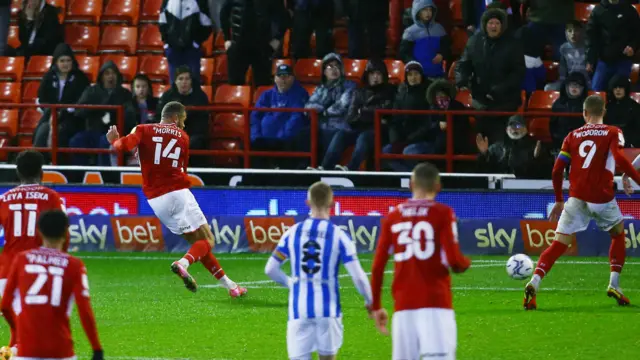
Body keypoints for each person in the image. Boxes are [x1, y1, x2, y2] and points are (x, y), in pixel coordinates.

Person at [106, 101, 247, 298]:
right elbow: (183, 168)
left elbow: (124, 146)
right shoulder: (183, 137)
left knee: (199, 245)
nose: (183, 125)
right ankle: (183, 263)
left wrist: (114, 140)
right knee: (208, 240)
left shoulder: (142, 129)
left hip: (155, 201)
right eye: (182, 120)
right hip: (177, 192)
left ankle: (231, 286)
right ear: (174, 117)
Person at [524, 95, 640, 310]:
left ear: (584, 113)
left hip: (576, 197)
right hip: (602, 197)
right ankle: (614, 283)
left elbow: (557, 170)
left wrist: (559, 200)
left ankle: (535, 281)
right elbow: (620, 158)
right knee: (617, 234)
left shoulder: (572, 136)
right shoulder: (613, 132)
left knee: (558, 243)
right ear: (604, 112)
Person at [369, 162, 471, 360]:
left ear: (411, 184)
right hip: (436, 306)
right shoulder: (442, 213)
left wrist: (376, 306)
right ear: (438, 187)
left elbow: (377, 266)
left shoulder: (393, 216)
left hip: (403, 310)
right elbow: (454, 261)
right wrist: (466, 263)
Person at [264, 181, 373, 360]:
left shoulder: (293, 232)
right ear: (332, 203)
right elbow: (359, 277)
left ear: (308, 203)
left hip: (299, 310)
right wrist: (371, 302)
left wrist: (290, 283)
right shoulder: (339, 235)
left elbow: (270, 269)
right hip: (328, 311)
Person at [1, 210, 103, 360]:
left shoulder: (22, 260)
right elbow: (84, 309)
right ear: (66, 232)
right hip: (61, 350)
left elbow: (4, 305)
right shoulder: (74, 265)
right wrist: (96, 348)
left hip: (27, 350)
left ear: (39, 232)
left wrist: (18, 331)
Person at [0, 150, 66, 353]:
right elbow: (63, 236)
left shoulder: (4, 199)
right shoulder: (52, 198)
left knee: (19, 333)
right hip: (37, 273)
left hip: (6, 276)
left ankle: (11, 352)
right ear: (42, 172)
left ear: (18, 173)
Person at [455, 7, 525, 142]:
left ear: (502, 26)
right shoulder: (474, 42)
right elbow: (463, 64)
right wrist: (461, 79)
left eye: (497, 23)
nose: (493, 26)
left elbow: (518, 72)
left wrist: (498, 90)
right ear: (485, 25)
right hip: (480, 102)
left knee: (500, 142)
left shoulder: (513, 44)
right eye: (490, 23)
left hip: (505, 103)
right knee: (481, 141)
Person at [322, 59, 395, 171]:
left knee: (363, 137)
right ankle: (325, 167)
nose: (375, 77)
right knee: (341, 134)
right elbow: (350, 118)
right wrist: (369, 115)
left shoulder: (391, 91)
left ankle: (350, 169)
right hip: (359, 128)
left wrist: (362, 112)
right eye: (372, 73)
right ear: (367, 75)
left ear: (384, 75)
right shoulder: (359, 92)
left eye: (378, 74)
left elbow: (386, 111)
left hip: (379, 131)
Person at [72, 60, 137, 166]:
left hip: (115, 132)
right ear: (101, 76)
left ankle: (105, 177)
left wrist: (113, 113)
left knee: (104, 141)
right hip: (94, 130)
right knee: (76, 141)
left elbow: (130, 116)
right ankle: (79, 175)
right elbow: (79, 111)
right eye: (107, 73)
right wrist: (95, 108)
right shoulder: (91, 91)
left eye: (113, 73)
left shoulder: (124, 94)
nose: (110, 76)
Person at [33, 43, 90, 152]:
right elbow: (42, 98)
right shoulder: (48, 77)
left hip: (72, 118)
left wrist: (64, 111)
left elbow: (83, 101)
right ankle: (40, 162)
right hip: (51, 115)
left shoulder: (80, 78)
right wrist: (51, 111)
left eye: (68, 61)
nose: (65, 64)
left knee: (60, 132)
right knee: (42, 131)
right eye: (62, 61)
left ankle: (59, 163)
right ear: (56, 62)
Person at [250, 64, 309, 169]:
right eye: (280, 76)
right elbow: (255, 116)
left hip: (285, 141)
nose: (283, 79)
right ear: (275, 79)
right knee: (248, 147)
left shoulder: (300, 94)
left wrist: (280, 138)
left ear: (293, 78)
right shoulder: (266, 95)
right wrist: (256, 136)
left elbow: (296, 118)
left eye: (286, 76)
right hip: (263, 140)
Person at [304, 53, 356, 170]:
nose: (334, 70)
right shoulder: (320, 89)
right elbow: (308, 106)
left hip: (342, 126)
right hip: (322, 125)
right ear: (324, 71)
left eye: (337, 66)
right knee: (305, 133)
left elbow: (342, 105)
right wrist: (323, 109)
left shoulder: (349, 86)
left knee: (335, 134)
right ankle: (303, 167)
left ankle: (324, 168)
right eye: (330, 67)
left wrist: (324, 112)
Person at [220, 0, 290, 86]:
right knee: (234, 83)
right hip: (238, 46)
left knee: (262, 84)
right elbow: (223, 14)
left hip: (262, 47)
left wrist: (277, 39)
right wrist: (227, 39)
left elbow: (283, 18)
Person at [155, 66, 210, 167]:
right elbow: (159, 117)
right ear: (175, 81)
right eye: (180, 79)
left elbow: (202, 122)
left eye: (187, 79)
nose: (184, 82)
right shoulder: (167, 96)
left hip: (193, 134)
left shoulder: (200, 97)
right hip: (170, 133)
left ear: (191, 81)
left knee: (195, 143)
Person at [476, 115, 553, 179]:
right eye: (511, 126)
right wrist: (484, 155)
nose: (515, 129)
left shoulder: (535, 146)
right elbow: (485, 170)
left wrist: (538, 158)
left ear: (526, 129)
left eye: (518, 125)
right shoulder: (496, 147)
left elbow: (543, 172)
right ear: (506, 130)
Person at [586, 0, 640, 91]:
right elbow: (592, 36)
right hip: (604, 60)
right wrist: (590, 59)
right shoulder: (598, 10)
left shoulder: (629, 10)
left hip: (623, 59)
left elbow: (638, 33)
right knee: (596, 90)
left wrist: (632, 46)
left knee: (621, 91)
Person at [159, 0, 213, 82]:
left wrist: (196, 42)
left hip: (191, 51)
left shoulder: (199, 2)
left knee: (193, 85)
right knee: (174, 87)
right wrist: (167, 42)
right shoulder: (167, 1)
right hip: (173, 51)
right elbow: (162, 23)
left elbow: (207, 25)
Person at [399, 0, 450, 79]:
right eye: (424, 10)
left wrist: (442, 54)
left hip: (438, 74)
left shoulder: (440, 29)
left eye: (430, 10)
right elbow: (404, 54)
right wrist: (415, 64)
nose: (428, 13)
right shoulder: (410, 32)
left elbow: (447, 47)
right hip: (419, 77)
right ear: (418, 12)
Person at [549, 72, 589, 150]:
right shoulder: (559, 103)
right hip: (561, 142)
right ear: (567, 86)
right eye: (572, 85)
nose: (574, 88)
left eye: (577, 85)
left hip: (582, 143)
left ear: (583, 88)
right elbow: (552, 125)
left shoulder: (587, 104)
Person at [545, 21, 588, 91]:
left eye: (576, 31)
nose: (573, 34)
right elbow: (563, 72)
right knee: (548, 88)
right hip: (569, 82)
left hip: (586, 82)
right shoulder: (564, 48)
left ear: (582, 31)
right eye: (570, 31)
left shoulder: (588, 47)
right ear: (566, 33)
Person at [605, 74, 640, 147]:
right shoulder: (607, 107)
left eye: (621, 87)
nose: (618, 89)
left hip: (630, 145)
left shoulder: (635, 107)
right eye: (615, 87)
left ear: (625, 89)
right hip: (610, 143)